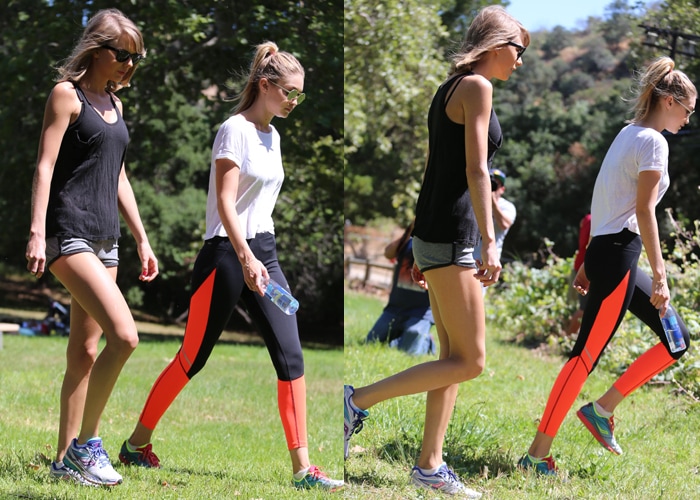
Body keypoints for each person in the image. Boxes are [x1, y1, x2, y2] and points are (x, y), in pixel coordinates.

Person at [118, 41, 342, 491]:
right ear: (266, 84)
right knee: (192, 358)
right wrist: (245, 257)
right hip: (225, 252)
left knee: (291, 355)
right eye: (290, 93)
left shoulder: (274, 136)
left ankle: (304, 469)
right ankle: (136, 444)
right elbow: (225, 200)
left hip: (265, 248)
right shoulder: (233, 129)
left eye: (301, 95)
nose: (295, 102)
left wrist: (260, 257)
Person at [345, 6, 529, 497]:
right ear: (494, 44)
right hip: (455, 237)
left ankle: (429, 464)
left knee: (449, 356)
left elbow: (433, 172)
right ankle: (354, 401)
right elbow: (475, 173)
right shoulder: (477, 87)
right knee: (471, 361)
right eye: (518, 49)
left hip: (435, 235)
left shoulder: (448, 89)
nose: (520, 59)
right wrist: (490, 240)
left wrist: (416, 242)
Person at [518, 56, 695, 476]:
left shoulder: (627, 134)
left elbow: (607, 199)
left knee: (677, 340)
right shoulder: (653, 141)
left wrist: (586, 263)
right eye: (687, 110)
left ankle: (601, 410)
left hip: (612, 252)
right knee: (583, 357)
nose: (688, 119)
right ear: (668, 101)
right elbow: (644, 211)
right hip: (619, 254)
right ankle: (536, 457)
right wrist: (663, 276)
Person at [24, 9, 159, 487]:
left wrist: (141, 237)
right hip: (69, 231)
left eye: (136, 58)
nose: (129, 65)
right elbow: (44, 165)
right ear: (97, 48)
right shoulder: (68, 95)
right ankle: (88, 446)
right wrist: (38, 231)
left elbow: (118, 173)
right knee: (125, 336)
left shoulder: (116, 106)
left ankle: (63, 461)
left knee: (84, 351)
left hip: (107, 237)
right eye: (123, 54)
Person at [365, 221, 437, 356]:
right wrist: (411, 229)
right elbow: (388, 253)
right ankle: (401, 337)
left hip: (421, 312)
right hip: (396, 307)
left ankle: (427, 341)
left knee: (409, 351)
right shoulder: (407, 241)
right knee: (372, 341)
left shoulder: (438, 243)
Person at [474, 167, 516, 293]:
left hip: (485, 265)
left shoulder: (507, 206)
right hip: (465, 259)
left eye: (495, 185)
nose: (491, 186)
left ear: (502, 189)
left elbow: (504, 224)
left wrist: (491, 200)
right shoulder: (475, 202)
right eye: (489, 181)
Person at [565, 213, 591, 334]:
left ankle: (568, 338)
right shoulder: (595, 220)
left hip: (580, 264)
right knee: (584, 309)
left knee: (583, 308)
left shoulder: (586, 218)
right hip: (586, 267)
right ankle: (567, 338)